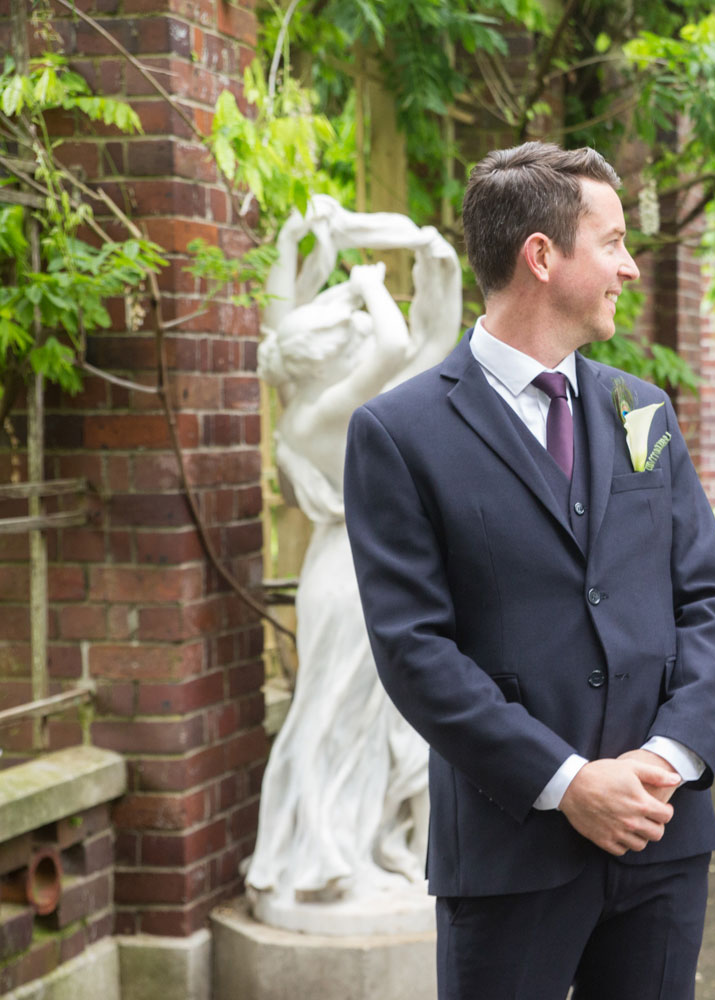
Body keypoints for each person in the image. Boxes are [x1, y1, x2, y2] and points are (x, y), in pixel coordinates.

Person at [343, 142, 715, 999]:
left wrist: (668, 757)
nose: (630, 268)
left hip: (662, 834)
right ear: (542, 255)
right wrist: (568, 785)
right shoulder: (398, 433)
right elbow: (415, 650)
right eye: (614, 242)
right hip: (510, 847)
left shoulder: (644, 410)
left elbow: (705, 595)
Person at [248, 201, 459, 922]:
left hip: (343, 570)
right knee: (331, 711)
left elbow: (282, 323)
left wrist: (292, 243)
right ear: (330, 354)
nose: (358, 333)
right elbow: (402, 344)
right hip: (354, 576)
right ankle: (321, 850)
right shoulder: (328, 408)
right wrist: (367, 281)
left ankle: (359, 840)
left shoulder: (299, 401)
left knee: (362, 715)